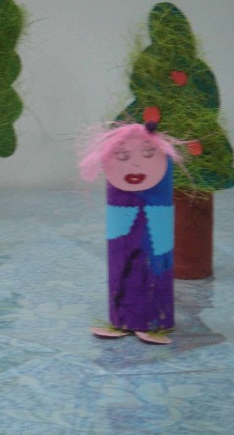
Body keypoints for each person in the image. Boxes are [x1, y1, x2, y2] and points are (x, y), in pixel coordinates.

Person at [79, 122, 183, 344]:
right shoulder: (119, 204)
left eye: (148, 154)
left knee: (156, 262)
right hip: (125, 228)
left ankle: (154, 321)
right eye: (123, 156)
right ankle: (123, 320)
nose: (135, 164)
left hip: (156, 224)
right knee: (123, 265)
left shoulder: (159, 199)